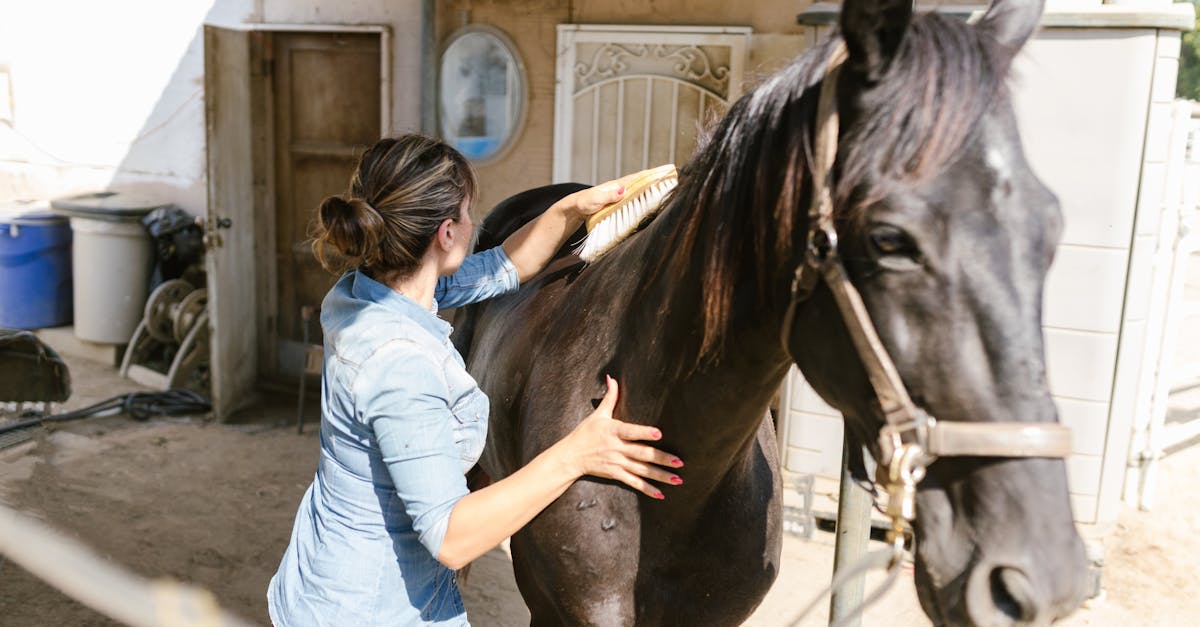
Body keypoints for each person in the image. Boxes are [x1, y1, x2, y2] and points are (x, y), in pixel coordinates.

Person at [267, 134, 683, 626]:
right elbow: (451, 536)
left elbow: (506, 265)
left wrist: (571, 209)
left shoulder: (368, 289)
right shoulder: (401, 363)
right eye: (468, 214)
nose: (473, 225)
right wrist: (578, 453)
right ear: (446, 233)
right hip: (367, 610)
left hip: (322, 577)